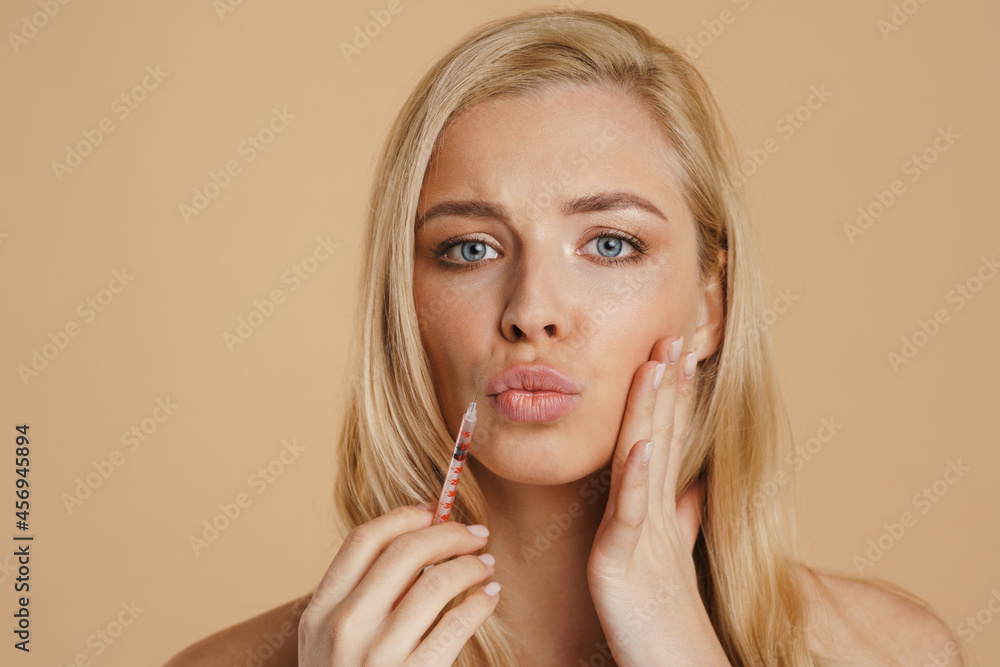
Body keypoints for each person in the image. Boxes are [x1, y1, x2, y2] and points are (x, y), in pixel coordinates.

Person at [164, 7, 968, 666]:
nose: (532, 310)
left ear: (710, 304)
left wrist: (678, 647)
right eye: (469, 248)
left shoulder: (887, 650)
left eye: (610, 244)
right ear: (405, 301)